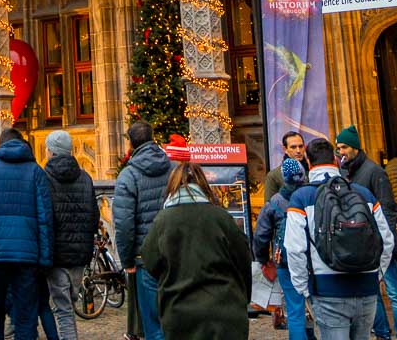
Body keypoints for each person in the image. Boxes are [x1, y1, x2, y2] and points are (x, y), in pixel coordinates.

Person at [286, 136, 393, 340]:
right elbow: (386, 240)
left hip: (326, 290)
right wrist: (376, 274)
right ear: (336, 161)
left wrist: (303, 288)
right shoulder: (365, 194)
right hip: (367, 286)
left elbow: (294, 248)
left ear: (308, 162)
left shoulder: (302, 198)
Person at [139, 162, 251, 340]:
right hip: (225, 307)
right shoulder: (221, 217)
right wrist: (244, 297)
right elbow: (243, 258)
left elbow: (150, 261)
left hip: (179, 310)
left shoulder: (163, 221)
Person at [0, 126, 51, 340]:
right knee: (25, 314)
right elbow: (45, 218)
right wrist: (44, 258)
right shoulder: (35, 171)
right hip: (26, 256)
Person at [335, 127, 397, 340]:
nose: (341, 152)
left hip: (381, 239)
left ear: (355, 147)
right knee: (372, 292)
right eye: (338, 148)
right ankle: (383, 334)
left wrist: (388, 239)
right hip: (362, 243)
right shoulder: (344, 172)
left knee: (394, 292)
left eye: (344, 147)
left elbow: (387, 207)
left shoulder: (374, 171)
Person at [111, 123, 172, 340]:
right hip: (174, 252)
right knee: (172, 319)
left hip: (144, 257)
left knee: (152, 323)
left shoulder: (129, 175)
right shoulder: (172, 167)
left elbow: (124, 222)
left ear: (130, 143)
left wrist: (127, 261)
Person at [42, 132, 98, 340]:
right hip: (80, 252)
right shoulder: (84, 177)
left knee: (63, 307)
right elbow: (94, 214)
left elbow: (44, 216)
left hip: (56, 253)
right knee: (69, 300)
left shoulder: (44, 177)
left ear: (51, 151)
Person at [252, 157, 308, 340]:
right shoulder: (312, 195)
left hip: (285, 260)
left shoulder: (275, 202)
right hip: (313, 259)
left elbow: (261, 235)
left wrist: (263, 259)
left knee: (295, 309)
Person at [263, 136, 309, 206]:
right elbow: (269, 207)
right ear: (285, 149)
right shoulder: (274, 175)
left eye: (301, 146)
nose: (298, 151)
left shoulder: (311, 171)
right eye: (293, 147)